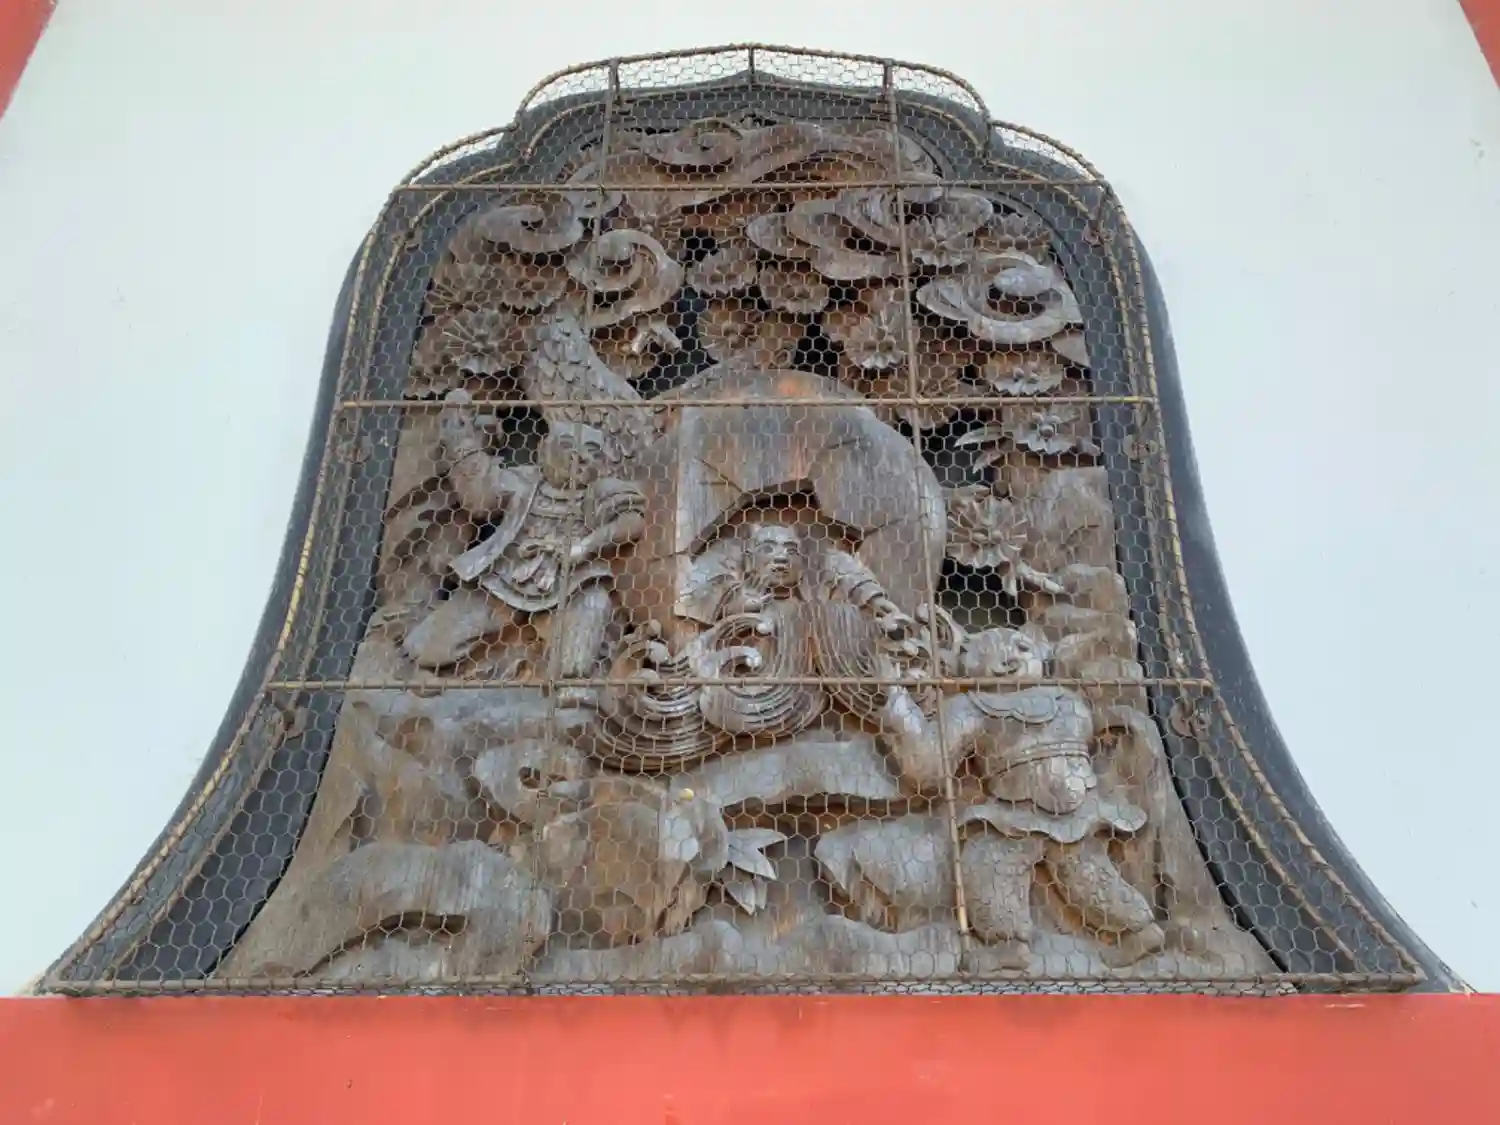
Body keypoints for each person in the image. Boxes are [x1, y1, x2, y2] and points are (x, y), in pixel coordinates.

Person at [402, 390, 645, 706]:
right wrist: (460, 437)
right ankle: (434, 664)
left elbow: (632, 522)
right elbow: (480, 499)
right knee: (440, 642)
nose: (580, 458)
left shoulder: (601, 492)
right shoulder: (524, 482)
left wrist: (585, 546)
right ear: (543, 450)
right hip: (505, 577)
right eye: (568, 447)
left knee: (593, 608)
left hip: (571, 582)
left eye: (592, 452)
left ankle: (572, 683)